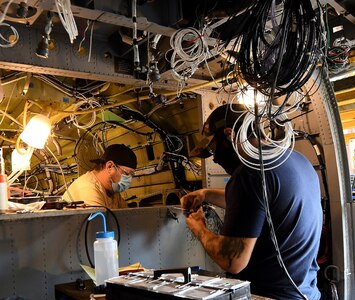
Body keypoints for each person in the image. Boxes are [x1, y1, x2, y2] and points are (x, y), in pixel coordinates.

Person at [180, 104, 322, 300]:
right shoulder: (296, 159)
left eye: (213, 148)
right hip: (307, 294)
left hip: (269, 296)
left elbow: (233, 260)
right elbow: (262, 205)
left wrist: (199, 228)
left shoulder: (250, 173)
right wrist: (206, 194)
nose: (215, 158)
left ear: (229, 134)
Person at [62, 144, 137, 209]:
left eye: (132, 175)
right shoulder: (88, 188)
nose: (129, 179)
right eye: (126, 173)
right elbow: (99, 223)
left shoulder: (113, 191)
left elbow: (126, 215)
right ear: (109, 166)